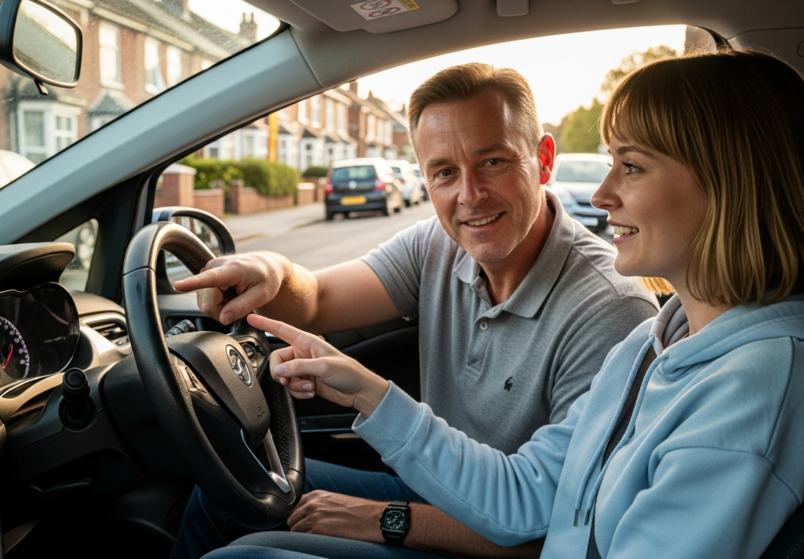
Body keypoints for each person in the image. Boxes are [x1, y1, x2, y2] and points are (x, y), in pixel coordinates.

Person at [202, 50, 804, 558]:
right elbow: (529, 498)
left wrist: (390, 518)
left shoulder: (759, 391)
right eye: (443, 172)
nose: (603, 193)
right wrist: (371, 395)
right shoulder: (665, 342)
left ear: (732, 183)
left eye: (631, 166)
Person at [170, 64, 658, 558]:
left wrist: (386, 518)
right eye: (445, 172)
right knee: (231, 485)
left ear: (543, 158)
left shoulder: (610, 310)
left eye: (493, 162)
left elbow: (556, 524)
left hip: (505, 540)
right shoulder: (439, 246)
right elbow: (316, 296)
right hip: (437, 494)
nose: (470, 195)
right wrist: (270, 267)